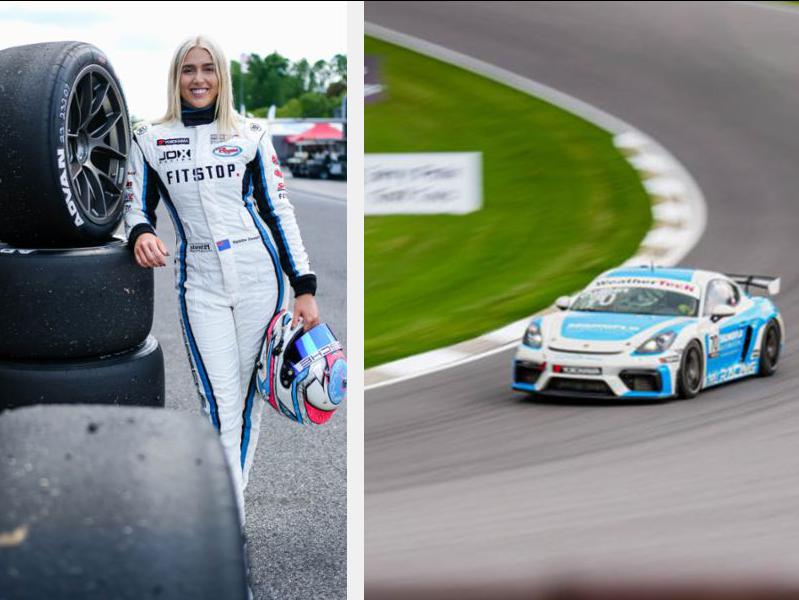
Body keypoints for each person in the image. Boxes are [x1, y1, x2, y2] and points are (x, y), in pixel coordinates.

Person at [123, 35, 320, 526]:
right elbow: (134, 207)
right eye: (188, 70)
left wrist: (305, 285)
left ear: (221, 77)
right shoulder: (150, 138)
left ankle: (227, 514)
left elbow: (278, 212)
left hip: (259, 275)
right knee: (219, 403)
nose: (198, 79)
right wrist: (141, 233)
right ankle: (224, 513)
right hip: (201, 280)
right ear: (176, 78)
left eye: (207, 69)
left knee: (248, 403)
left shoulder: (249, 134)